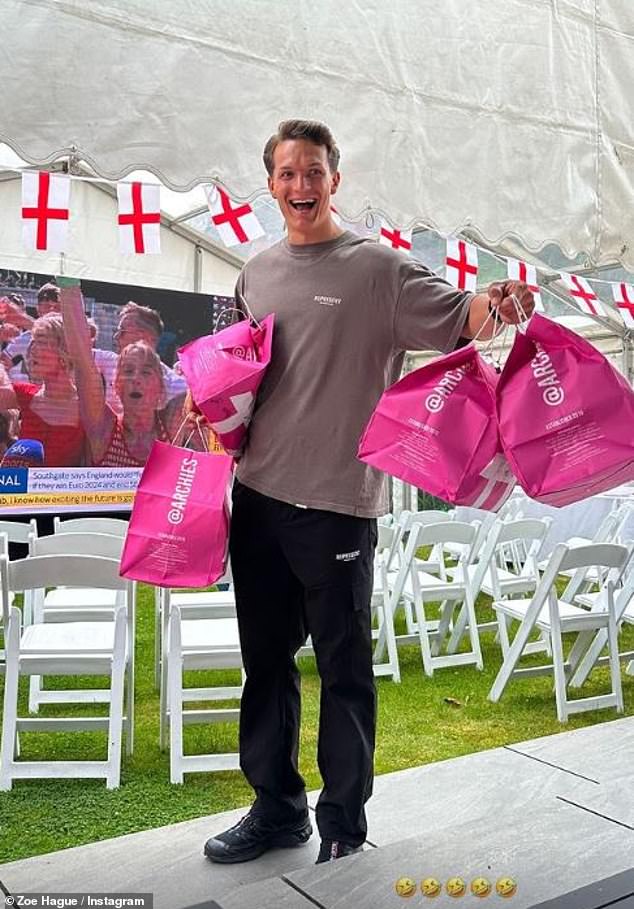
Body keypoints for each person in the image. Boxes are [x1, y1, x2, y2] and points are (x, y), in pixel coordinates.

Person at [202, 119, 535, 866]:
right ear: (271, 182)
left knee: (344, 669)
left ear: (334, 179)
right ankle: (276, 809)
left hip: (341, 503)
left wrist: (497, 300)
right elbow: (240, 373)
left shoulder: (378, 270)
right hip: (255, 495)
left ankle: (343, 828)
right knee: (266, 663)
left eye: (313, 171)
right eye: (286, 173)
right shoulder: (255, 273)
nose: (300, 186)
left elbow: (459, 318)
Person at [60, 288, 191, 466]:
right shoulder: (104, 429)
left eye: (146, 372)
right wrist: (68, 284)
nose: (135, 379)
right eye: (128, 371)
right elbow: (82, 361)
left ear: (161, 387)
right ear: (116, 386)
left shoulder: (170, 425)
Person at [0, 313, 85, 466]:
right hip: (20, 487)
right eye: (32, 343)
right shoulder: (24, 395)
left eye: (41, 343)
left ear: (64, 350)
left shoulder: (88, 408)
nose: (32, 350)